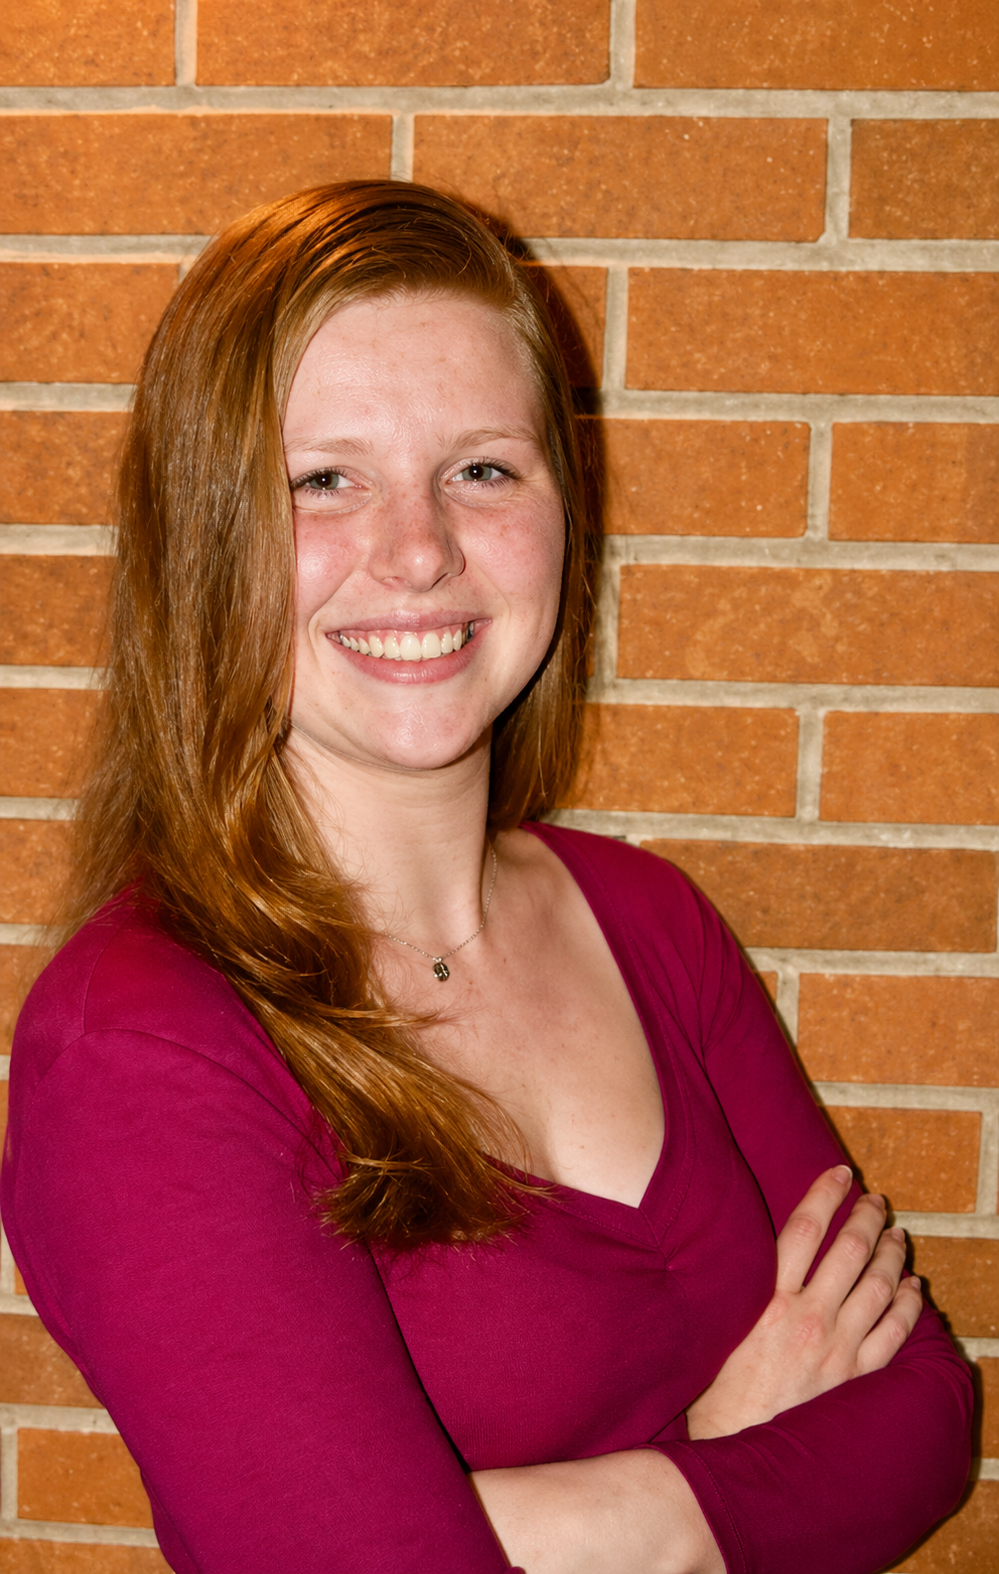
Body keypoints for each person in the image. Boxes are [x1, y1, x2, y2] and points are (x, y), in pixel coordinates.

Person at [1, 182, 971, 1574]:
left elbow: (922, 1410)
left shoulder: (648, 920)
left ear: (562, 511)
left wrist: (594, 1515)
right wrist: (714, 1474)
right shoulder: (144, 1042)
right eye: (323, 480)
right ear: (203, 540)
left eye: (482, 470)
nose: (418, 551)